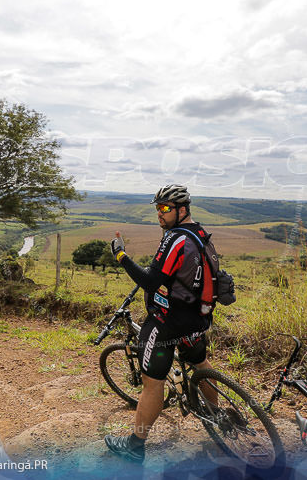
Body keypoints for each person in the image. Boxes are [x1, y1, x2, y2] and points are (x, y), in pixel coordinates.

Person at [104, 184, 218, 463]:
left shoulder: (174, 238)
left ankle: (135, 445)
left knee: (152, 384)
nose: (160, 213)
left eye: (165, 208)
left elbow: (150, 281)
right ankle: (217, 417)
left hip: (167, 323)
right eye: (157, 208)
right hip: (197, 319)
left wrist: (121, 255)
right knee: (200, 364)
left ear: (182, 210)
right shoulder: (200, 234)